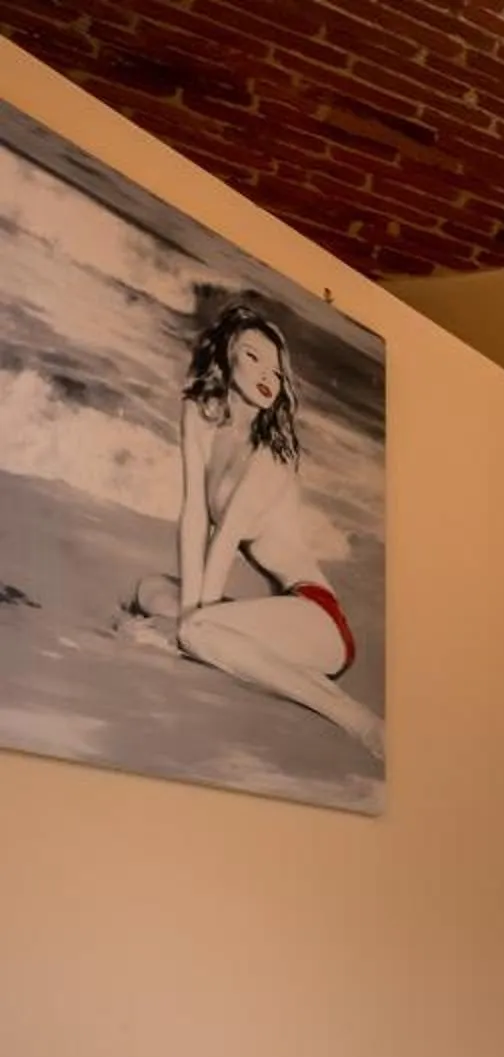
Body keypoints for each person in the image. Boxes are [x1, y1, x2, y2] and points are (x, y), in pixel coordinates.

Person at [126, 301, 381, 758]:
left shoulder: (271, 457)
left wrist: (190, 628)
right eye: (253, 357)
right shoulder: (201, 417)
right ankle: (212, 640)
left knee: (197, 631)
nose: (269, 375)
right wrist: (189, 617)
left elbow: (224, 541)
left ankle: (356, 720)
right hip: (282, 614)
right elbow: (195, 515)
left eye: (278, 370)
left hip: (319, 620)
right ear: (226, 355)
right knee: (150, 589)